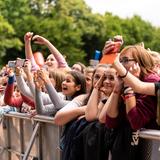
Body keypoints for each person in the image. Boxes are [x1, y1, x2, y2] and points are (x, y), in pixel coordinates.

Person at [99, 44, 160, 160]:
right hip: (128, 149)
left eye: (125, 60)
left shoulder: (151, 80)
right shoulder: (124, 82)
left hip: (150, 151)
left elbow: (136, 122)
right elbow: (110, 121)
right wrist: (116, 90)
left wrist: (129, 88)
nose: (121, 65)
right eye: (120, 60)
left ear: (139, 62)